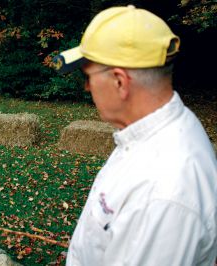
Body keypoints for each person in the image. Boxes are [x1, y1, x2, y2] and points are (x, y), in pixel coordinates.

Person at [53, 5, 217, 266]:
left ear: (120, 81)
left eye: (87, 76)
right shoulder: (148, 135)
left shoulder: (165, 191)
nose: (86, 87)